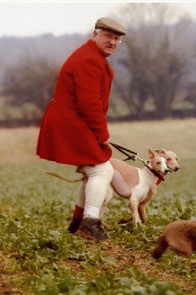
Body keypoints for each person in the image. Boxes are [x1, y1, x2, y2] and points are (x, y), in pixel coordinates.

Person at [36, 17, 127, 240]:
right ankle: (89, 222)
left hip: (73, 120)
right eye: (108, 36)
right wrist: (102, 134)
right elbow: (89, 104)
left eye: (117, 39)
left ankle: (78, 222)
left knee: (95, 170)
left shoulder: (94, 57)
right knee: (101, 170)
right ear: (95, 34)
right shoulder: (89, 60)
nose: (113, 42)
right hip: (71, 121)